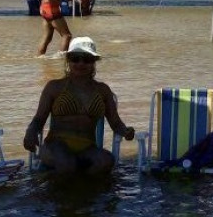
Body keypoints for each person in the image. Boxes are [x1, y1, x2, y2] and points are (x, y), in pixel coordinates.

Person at [23, 36, 135, 176]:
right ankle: (65, 187)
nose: (81, 64)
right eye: (75, 58)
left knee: (106, 161)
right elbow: (39, 119)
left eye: (87, 59)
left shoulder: (103, 90)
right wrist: (30, 132)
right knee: (67, 164)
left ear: (94, 61)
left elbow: (116, 122)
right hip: (56, 145)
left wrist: (126, 131)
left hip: (86, 147)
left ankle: (78, 187)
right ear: (68, 60)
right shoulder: (54, 87)